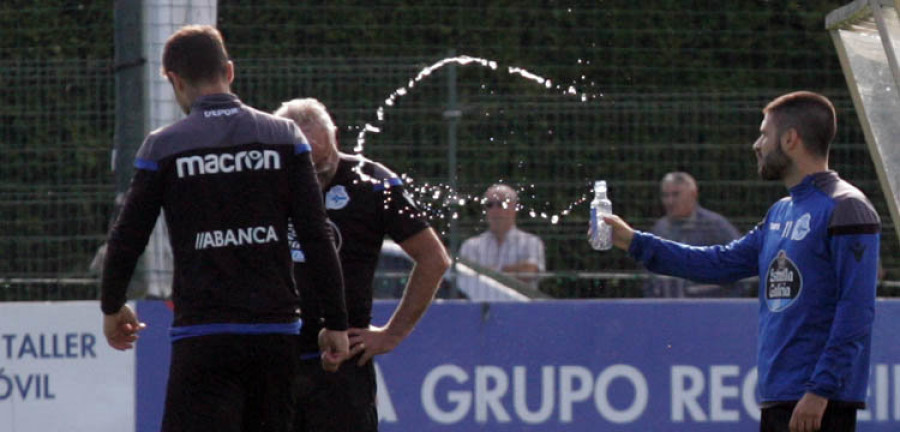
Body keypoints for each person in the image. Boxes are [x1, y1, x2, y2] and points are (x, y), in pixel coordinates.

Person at [100, 25, 350, 432]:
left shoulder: (164, 146)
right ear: (229, 72)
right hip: (275, 331)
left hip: (204, 332)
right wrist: (336, 322)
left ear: (175, 81)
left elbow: (127, 236)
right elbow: (315, 233)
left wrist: (112, 305)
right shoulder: (284, 136)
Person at [599, 91, 880, 432]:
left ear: (790, 139)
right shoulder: (781, 211)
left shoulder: (847, 207)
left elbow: (857, 309)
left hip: (818, 403)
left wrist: (820, 390)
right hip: (780, 395)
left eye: (764, 134)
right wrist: (633, 241)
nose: (757, 144)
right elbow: (717, 263)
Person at [274, 98, 451, 432]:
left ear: (335, 137)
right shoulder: (267, 183)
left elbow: (434, 259)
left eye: (323, 164)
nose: (315, 175)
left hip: (343, 366)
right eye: (305, 166)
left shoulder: (370, 182)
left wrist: (391, 334)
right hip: (275, 360)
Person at [644, 171, 742, 297]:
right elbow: (648, 276)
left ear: (693, 194)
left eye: (676, 194)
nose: (670, 201)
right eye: (665, 195)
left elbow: (741, 266)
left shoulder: (716, 226)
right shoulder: (659, 230)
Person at [459, 184, 546, 290]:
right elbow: (466, 279)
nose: (495, 210)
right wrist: (511, 272)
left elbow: (530, 271)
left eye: (501, 204)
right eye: (490, 205)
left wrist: (488, 273)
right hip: (481, 306)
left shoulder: (531, 242)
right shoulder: (470, 245)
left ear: (514, 208)